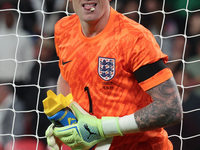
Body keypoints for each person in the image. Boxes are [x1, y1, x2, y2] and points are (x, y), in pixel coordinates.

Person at [45, 0, 183, 150]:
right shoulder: (64, 29)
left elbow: (170, 108)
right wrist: (64, 124)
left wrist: (102, 128)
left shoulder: (134, 38)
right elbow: (67, 76)